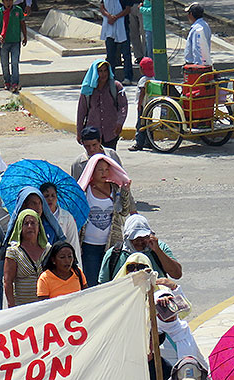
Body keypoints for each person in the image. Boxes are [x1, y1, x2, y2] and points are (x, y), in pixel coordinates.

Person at [78, 153, 135, 287]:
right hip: (89, 245)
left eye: (106, 169)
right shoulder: (84, 190)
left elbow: (124, 211)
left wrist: (125, 191)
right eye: (100, 170)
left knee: (111, 283)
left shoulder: (115, 189)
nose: (104, 173)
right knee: (91, 283)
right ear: (92, 170)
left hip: (111, 246)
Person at [98, 212, 181, 283]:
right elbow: (103, 285)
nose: (140, 242)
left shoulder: (159, 247)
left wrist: (158, 251)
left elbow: (177, 274)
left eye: (143, 238)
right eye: (136, 239)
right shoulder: (114, 254)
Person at [77, 60, 128, 150]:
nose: (103, 74)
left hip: (111, 131)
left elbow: (123, 106)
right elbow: (81, 111)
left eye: (105, 71)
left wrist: (120, 123)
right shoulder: (87, 90)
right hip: (92, 133)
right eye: (100, 71)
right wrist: (79, 132)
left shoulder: (115, 86)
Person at [3, 209, 48, 308]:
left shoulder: (48, 250)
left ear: (39, 226)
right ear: (20, 227)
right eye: (25, 223)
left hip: (45, 307)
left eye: (33, 223)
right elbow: (8, 281)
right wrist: (11, 306)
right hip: (22, 308)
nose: (30, 227)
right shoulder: (13, 252)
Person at [0, 0, 26, 91]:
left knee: (15, 62)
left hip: (15, 41)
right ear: (3, 2)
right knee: (4, 63)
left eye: (10, 0)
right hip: (4, 42)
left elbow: (22, 23)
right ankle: (7, 82)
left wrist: (25, 36)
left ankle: (15, 83)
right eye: (6, 1)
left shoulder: (18, 10)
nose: (8, 3)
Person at [100, 0, 132, 83]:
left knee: (126, 54)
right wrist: (109, 16)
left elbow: (128, 9)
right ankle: (110, 77)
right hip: (109, 27)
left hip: (123, 27)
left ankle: (127, 77)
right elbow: (102, 7)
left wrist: (116, 17)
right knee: (110, 55)